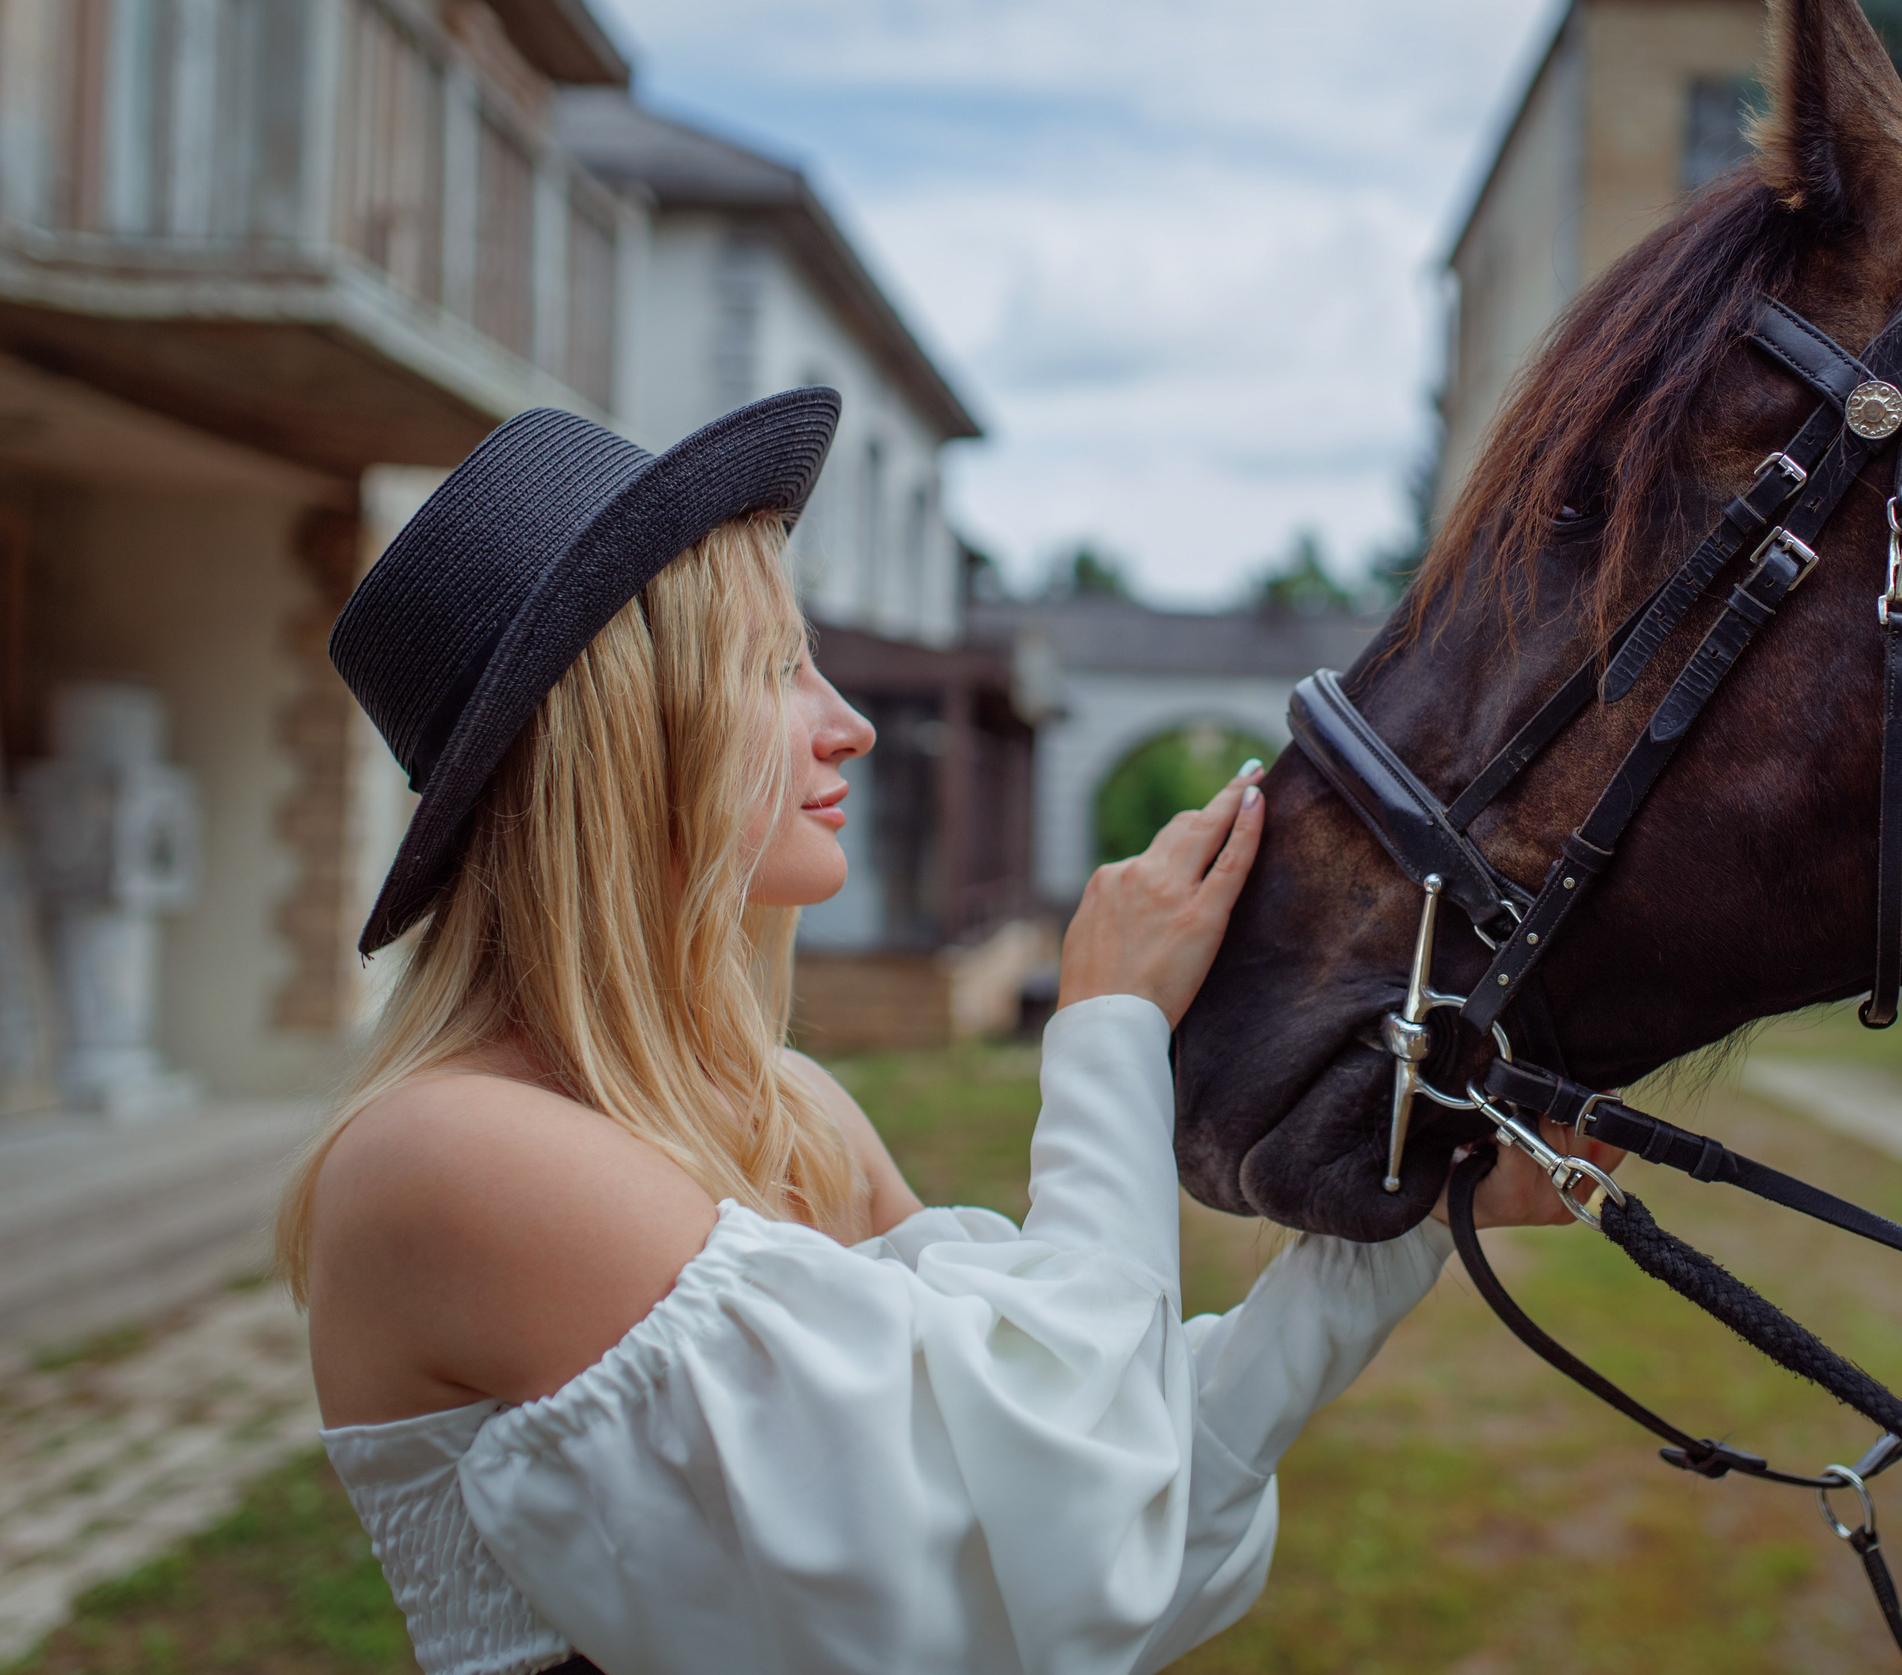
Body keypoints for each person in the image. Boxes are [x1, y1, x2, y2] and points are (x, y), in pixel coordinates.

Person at [280, 390, 1613, 1675]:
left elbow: (1100, 1495)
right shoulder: (454, 1158)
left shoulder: (781, 1110)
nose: (847, 724)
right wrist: (1107, 1031)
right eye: (770, 667)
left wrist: (1397, 1225)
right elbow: (1050, 1562)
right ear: (621, 737)